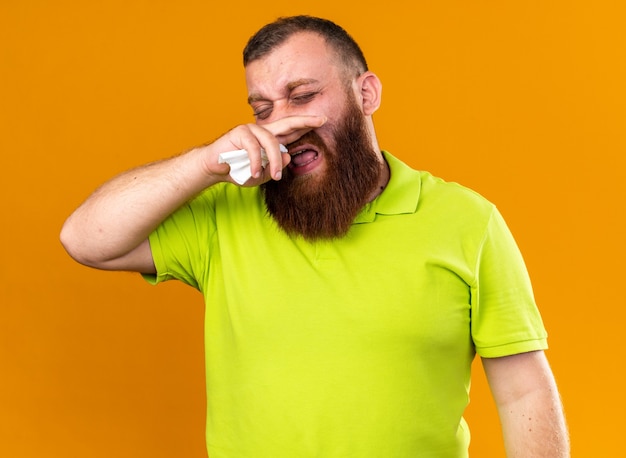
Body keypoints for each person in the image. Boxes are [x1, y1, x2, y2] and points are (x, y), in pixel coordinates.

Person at [60, 15, 569, 458]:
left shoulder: (467, 221)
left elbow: (524, 391)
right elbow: (86, 239)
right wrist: (204, 163)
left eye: (302, 96)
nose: (284, 123)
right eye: (263, 109)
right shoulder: (225, 215)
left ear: (365, 93)